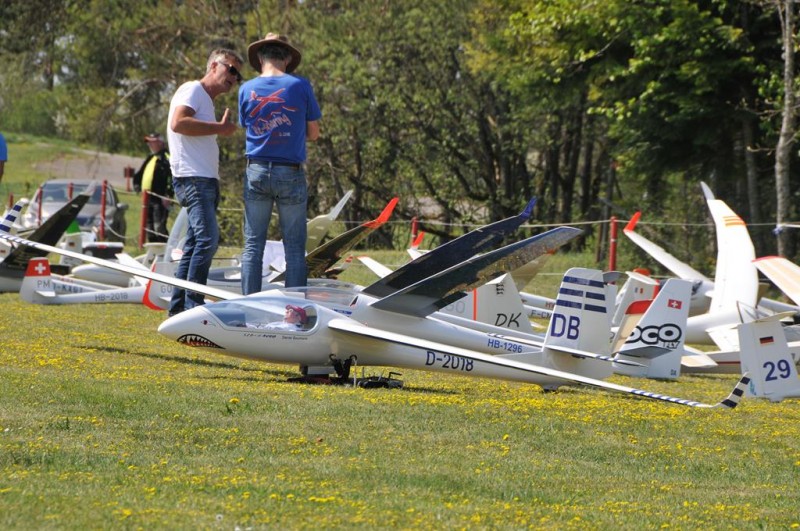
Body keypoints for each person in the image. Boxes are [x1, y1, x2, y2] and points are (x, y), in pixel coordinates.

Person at [238, 33, 321, 295]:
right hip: (290, 172)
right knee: (294, 248)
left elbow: (246, 126)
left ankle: (248, 305)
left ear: (261, 57)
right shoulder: (300, 85)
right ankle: (294, 309)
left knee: (253, 246)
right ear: (286, 58)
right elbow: (314, 133)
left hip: (256, 170)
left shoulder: (245, 89)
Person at [167, 47, 244, 316]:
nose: (234, 78)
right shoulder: (192, 89)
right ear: (213, 66)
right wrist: (220, 129)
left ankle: (179, 309)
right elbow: (178, 123)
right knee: (207, 240)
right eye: (231, 69)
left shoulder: (206, 101)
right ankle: (193, 306)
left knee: (194, 245)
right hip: (194, 179)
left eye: (238, 76)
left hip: (204, 180)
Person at [133, 133, 173, 243]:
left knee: (159, 228)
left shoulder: (167, 158)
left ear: (160, 142)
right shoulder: (150, 158)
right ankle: (154, 252)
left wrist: (169, 195)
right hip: (147, 200)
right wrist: (137, 187)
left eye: (152, 142)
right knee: (149, 229)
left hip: (160, 200)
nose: (149, 144)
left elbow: (173, 178)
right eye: (148, 142)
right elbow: (139, 175)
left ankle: (167, 249)